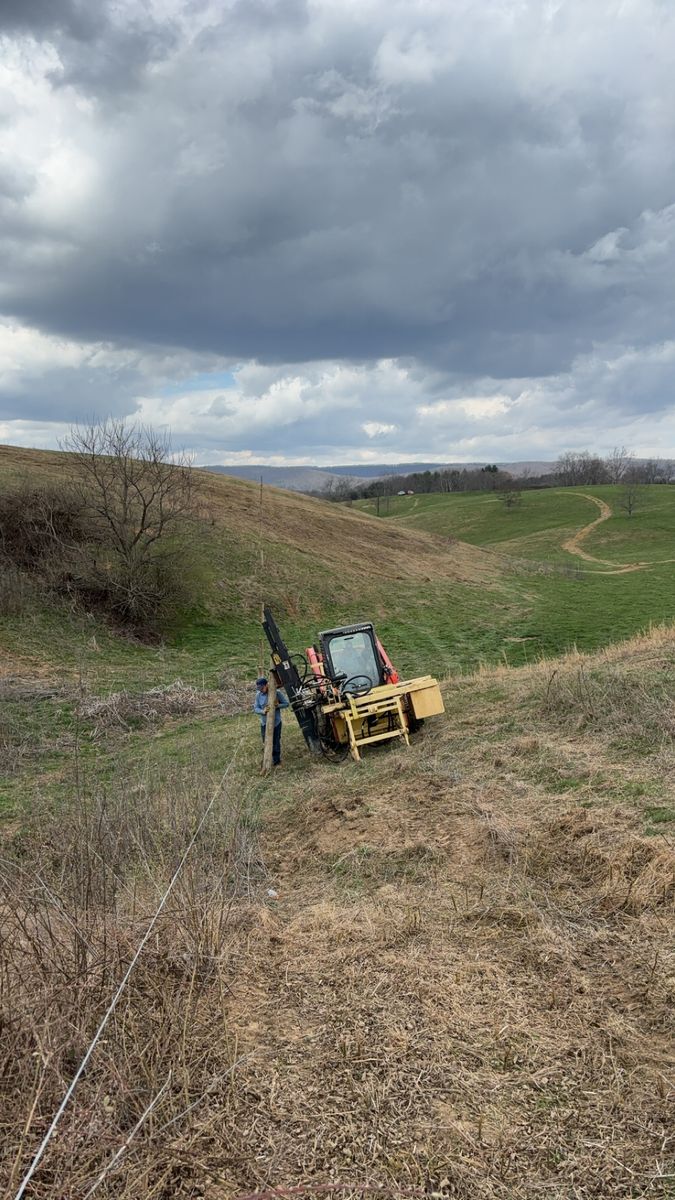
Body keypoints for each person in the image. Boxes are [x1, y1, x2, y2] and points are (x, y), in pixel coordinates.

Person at [253, 675, 289, 766]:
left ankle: (276, 761)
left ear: (267, 685)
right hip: (264, 723)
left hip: (276, 723)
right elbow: (256, 708)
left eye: (262, 688)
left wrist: (277, 706)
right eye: (259, 688)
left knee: (275, 742)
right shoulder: (258, 695)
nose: (261, 690)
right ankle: (267, 758)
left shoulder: (277, 693)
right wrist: (262, 711)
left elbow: (286, 704)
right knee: (265, 741)